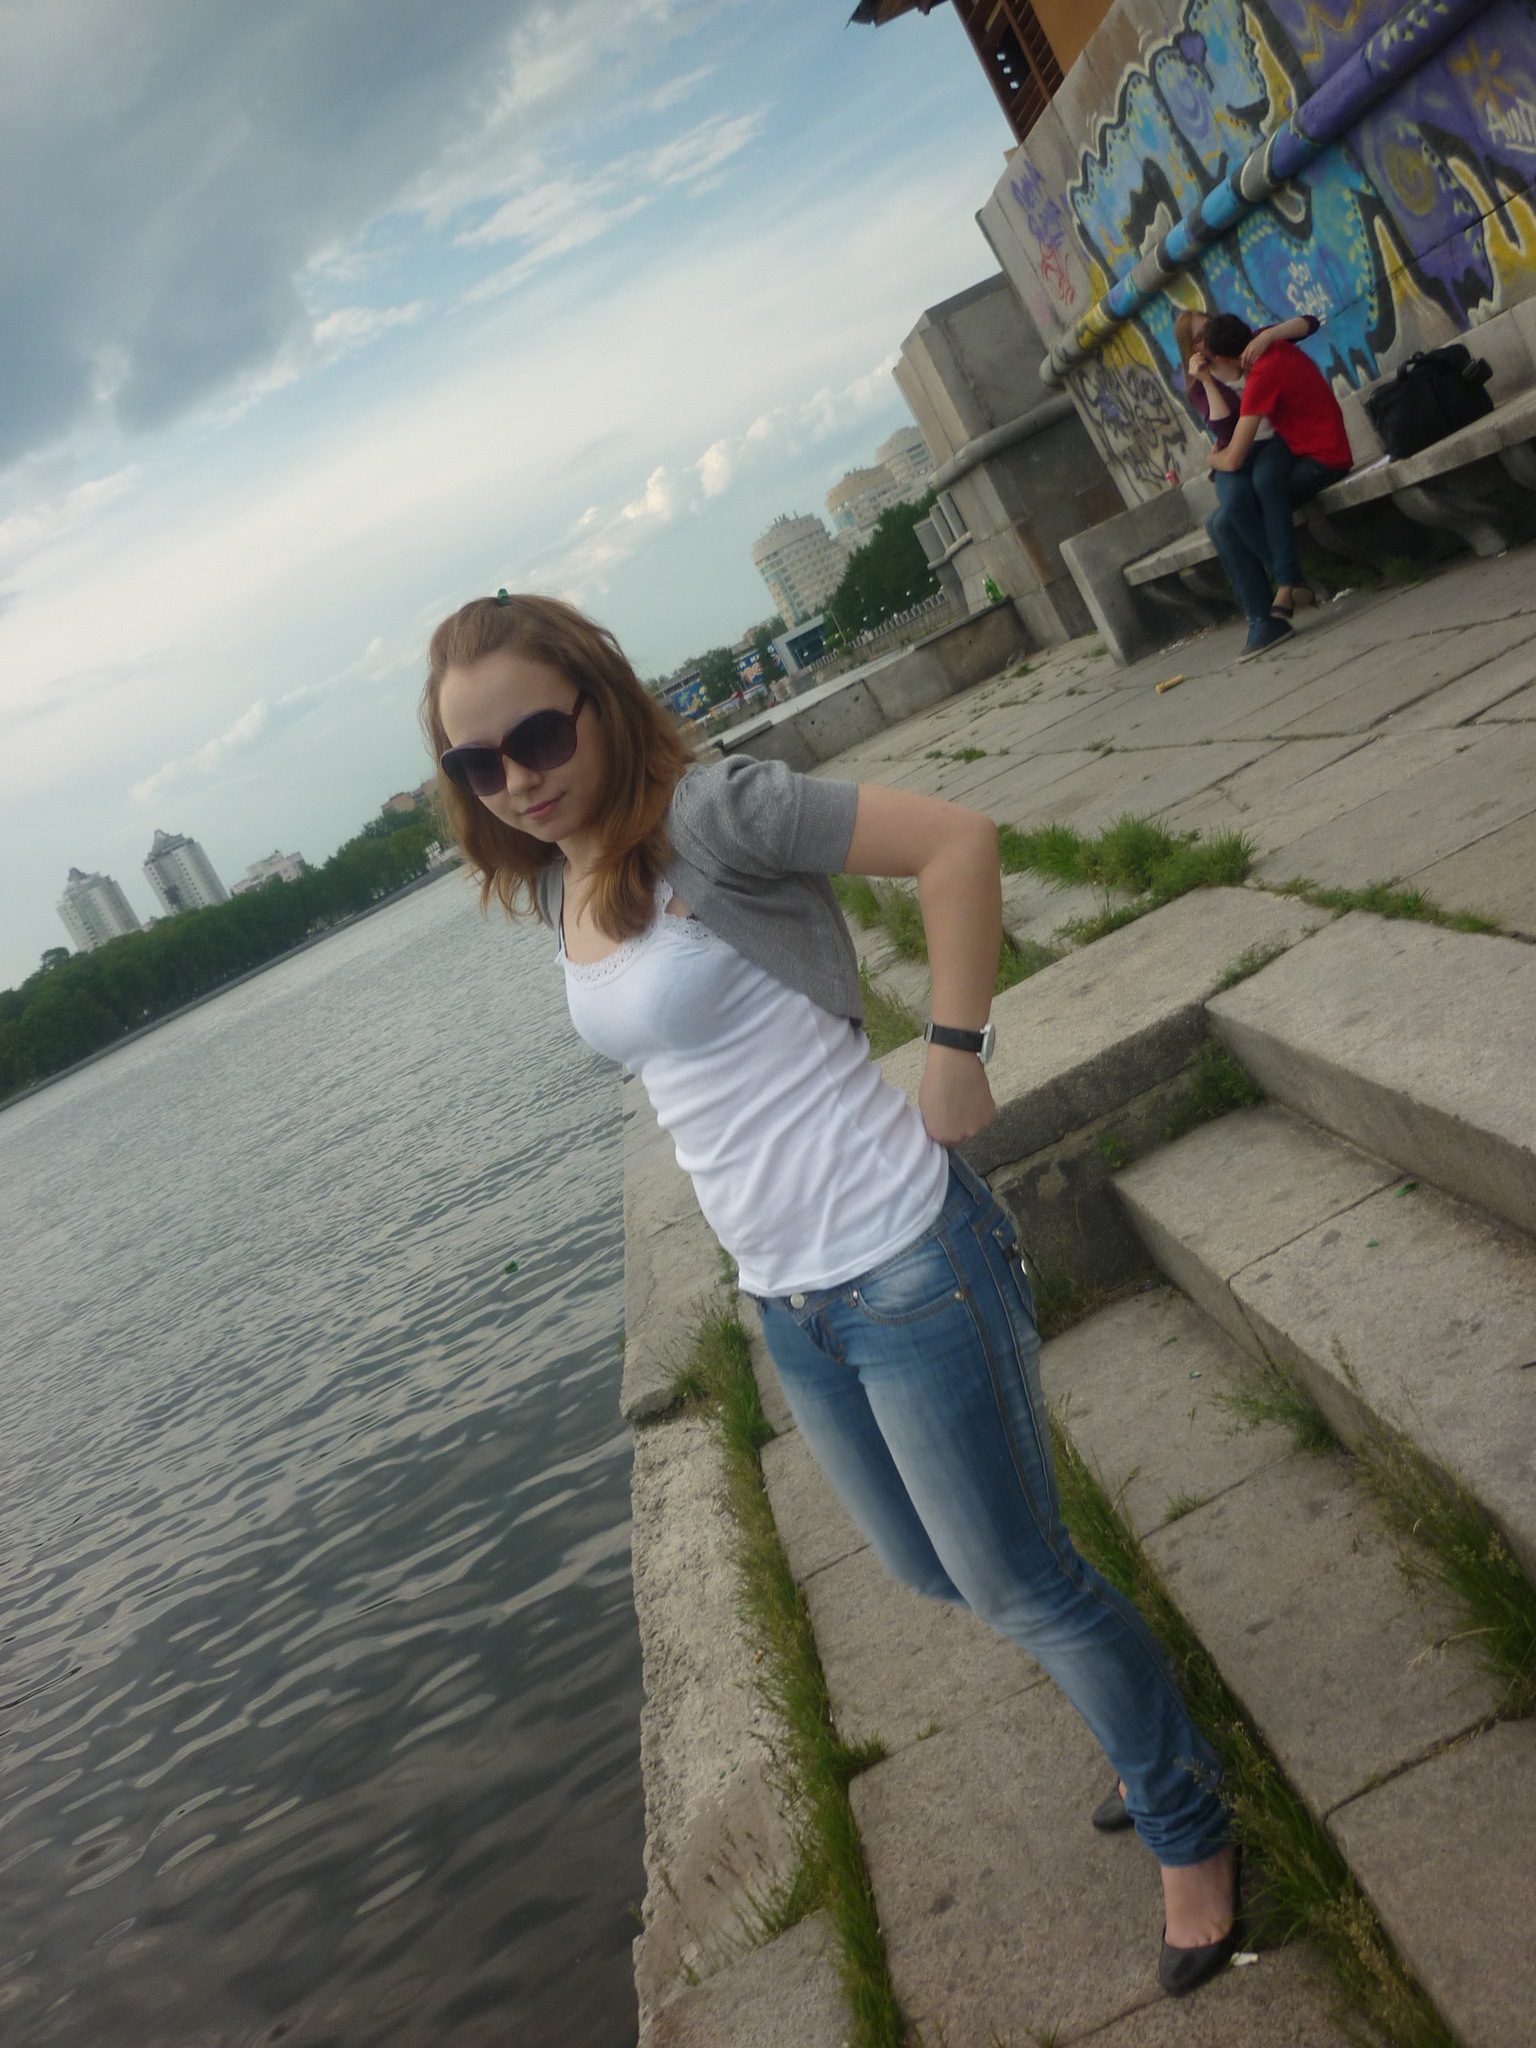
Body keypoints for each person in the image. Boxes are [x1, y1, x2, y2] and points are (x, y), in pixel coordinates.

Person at [422, 593, 1240, 1997]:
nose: (517, 777)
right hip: (789, 1302)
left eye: (538, 736)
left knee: (1021, 1578)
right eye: (476, 763)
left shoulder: (713, 814)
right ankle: (1143, 1734)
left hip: (906, 1255)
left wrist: (955, 1046)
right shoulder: (562, 878)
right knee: (930, 1569)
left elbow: (955, 842)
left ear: (601, 700)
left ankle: (1188, 1823)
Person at [1196, 312, 1353, 660]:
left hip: (1321, 459)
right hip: (1303, 452)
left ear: (1220, 356)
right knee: (1223, 517)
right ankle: (1272, 606)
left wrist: (1210, 459)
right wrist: (1267, 338)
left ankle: (1280, 596)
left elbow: (1232, 458)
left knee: (1229, 520)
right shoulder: (1266, 351)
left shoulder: (1261, 372)